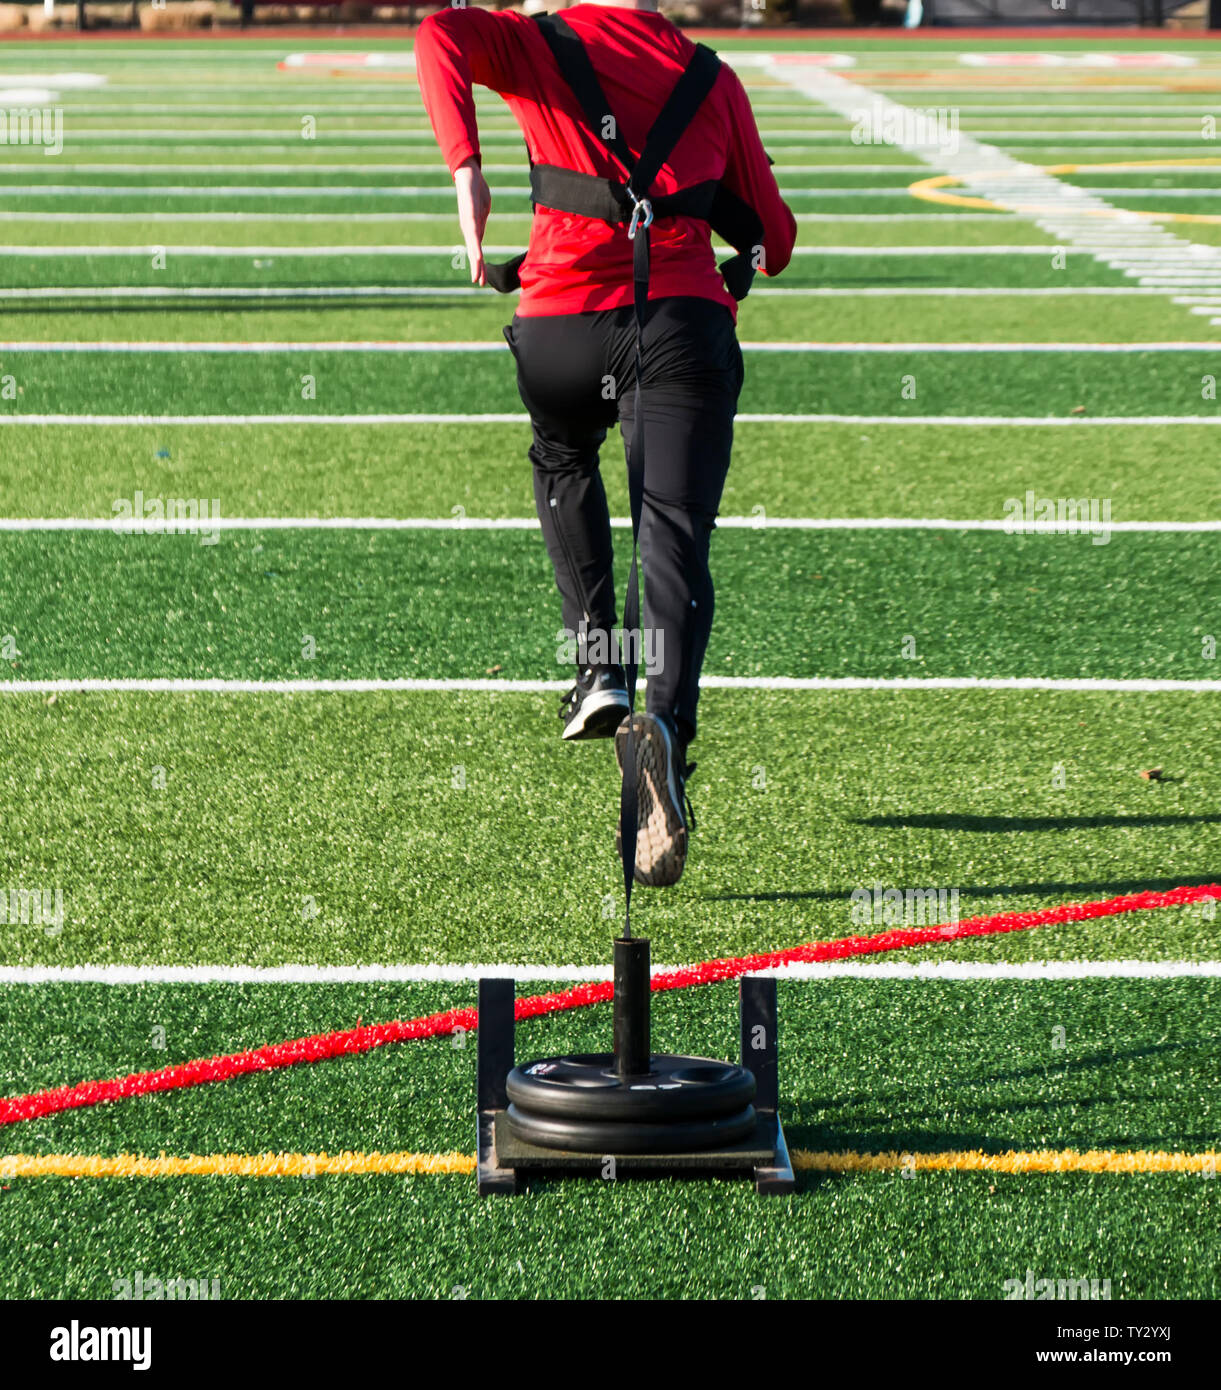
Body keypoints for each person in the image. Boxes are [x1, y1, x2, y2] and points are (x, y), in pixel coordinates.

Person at [417, 0, 796, 887]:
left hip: (559, 332)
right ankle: (662, 718)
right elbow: (774, 240)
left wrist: (466, 169)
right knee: (668, 526)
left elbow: (438, 31)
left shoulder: (536, 41)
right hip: (677, 328)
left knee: (561, 454)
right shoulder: (712, 77)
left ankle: (597, 664)